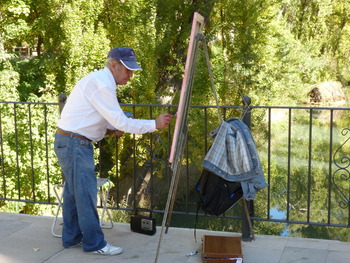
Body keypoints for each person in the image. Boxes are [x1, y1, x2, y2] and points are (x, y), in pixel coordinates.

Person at [54, 47, 172, 256]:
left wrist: (111, 128)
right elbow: (120, 122)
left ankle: (71, 238)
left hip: (69, 141)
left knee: (74, 194)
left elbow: (103, 118)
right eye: (127, 70)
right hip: (75, 144)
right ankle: (95, 244)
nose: (130, 75)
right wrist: (154, 124)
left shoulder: (101, 81)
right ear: (114, 65)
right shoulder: (103, 84)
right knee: (86, 195)